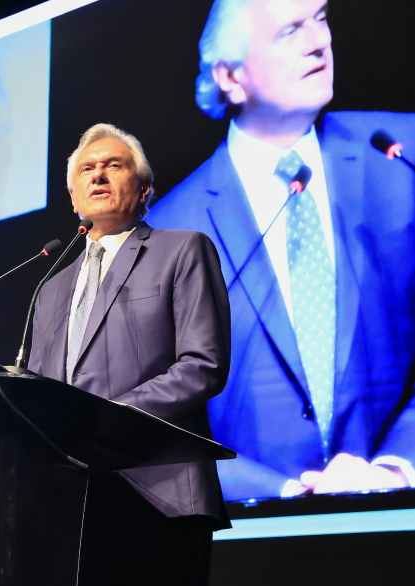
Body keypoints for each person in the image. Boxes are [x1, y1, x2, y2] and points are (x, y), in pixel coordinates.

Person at [27, 123, 230, 586]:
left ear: (142, 189)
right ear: (70, 193)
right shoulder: (49, 289)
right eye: (86, 168)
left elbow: (200, 364)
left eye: (114, 166)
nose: (98, 175)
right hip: (74, 509)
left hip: (154, 496)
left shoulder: (179, 251)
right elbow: (36, 389)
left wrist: (105, 423)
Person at [147, 0, 415, 501]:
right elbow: (151, 434)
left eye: (321, 18)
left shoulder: (401, 156)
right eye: (290, 30)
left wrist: (399, 468)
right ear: (230, 76)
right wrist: (285, 493)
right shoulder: (167, 233)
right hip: (253, 551)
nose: (319, 42)